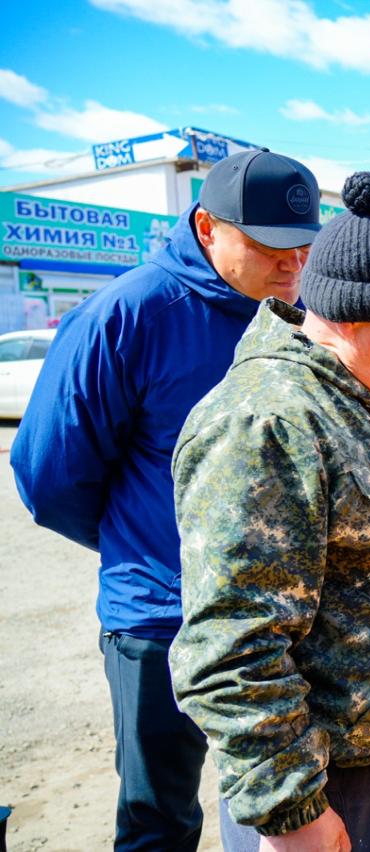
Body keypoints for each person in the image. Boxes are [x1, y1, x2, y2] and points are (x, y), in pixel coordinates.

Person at [10, 149, 321, 850]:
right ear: (207, 226)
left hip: (279, 628)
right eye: (271, 248)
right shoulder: (129, 314)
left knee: (284, 808)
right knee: (160, 821)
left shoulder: (302, 317)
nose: (291, 267)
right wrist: (149, 546)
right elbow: (49, 475)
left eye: (304, 248)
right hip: (160, 621)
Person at [168, 173, 370, 850]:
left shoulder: (357, 396)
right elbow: (231, 646)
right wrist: (293, 813)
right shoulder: (267, 420)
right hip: (327, 792)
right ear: (353, 319)